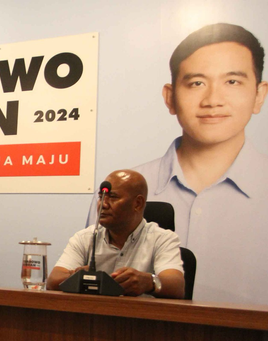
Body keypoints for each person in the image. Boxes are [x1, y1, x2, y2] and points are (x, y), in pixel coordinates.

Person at [88, 23, 268, 305]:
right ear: (170, 97)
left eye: (232, 81)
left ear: (259, 94)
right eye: (197, 83)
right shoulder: (119, 190)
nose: (212, 100)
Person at [52, 170, 185, 298]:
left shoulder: (162, 239)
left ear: (138, 204)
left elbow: (176, 286)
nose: (103, 204)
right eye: (101, 197)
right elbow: (53, 280)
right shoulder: (85, 237)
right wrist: (75, 276)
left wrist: (149, 282)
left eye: (113, 197)